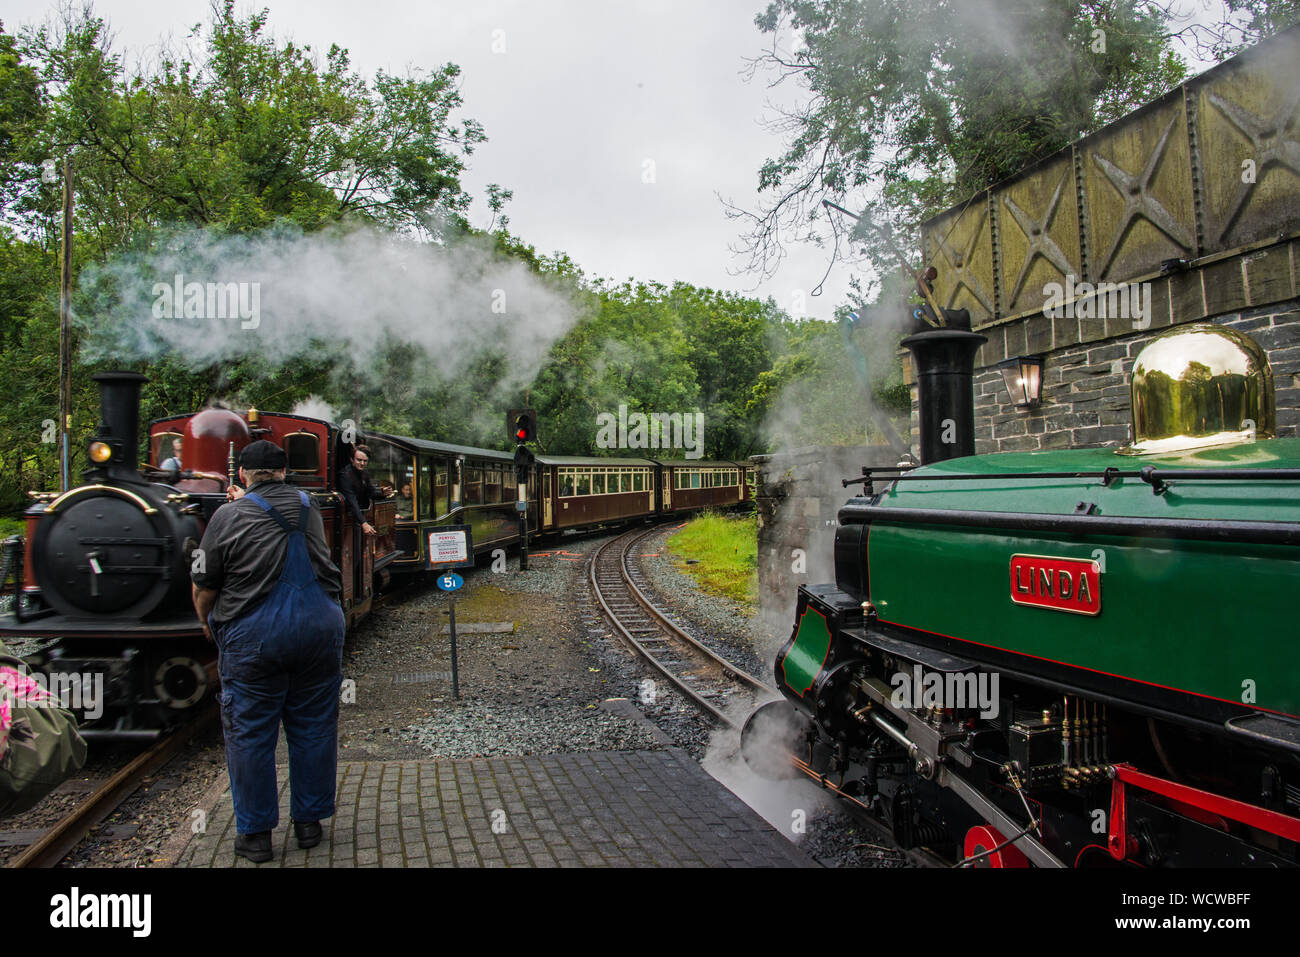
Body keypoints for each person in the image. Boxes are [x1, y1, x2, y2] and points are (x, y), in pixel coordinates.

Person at [190, 440, 345, 863]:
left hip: (256, 636)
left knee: (251, 733)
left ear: (242, 474)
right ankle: (309, 824)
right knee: (314, 726)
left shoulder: (227, 514)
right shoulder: (309, 506)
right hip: (319, 628)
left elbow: (204, 584)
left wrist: (206, 621)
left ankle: (256, 836)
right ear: (282, 472)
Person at [337, 444, 390, 588]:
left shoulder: (365, 474)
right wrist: (364, 523)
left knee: (361, 556)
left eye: (365, 461)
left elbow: (371, 493)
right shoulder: (345, 476)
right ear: (352, 459)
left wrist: (381, 493)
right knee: (353, 556)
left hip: (360, 518)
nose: (362, 463)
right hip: (350, 519)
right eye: (359, 460)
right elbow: (351, 501)